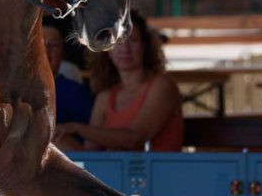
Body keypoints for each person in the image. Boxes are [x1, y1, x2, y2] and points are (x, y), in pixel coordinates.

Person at [54, 12, 183, 152]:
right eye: (116, 42)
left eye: (133, 40)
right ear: (106, 50)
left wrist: (76, 128)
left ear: (145, 46)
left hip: (159, 171)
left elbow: (133, 139)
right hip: (112, 171)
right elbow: (91, 151)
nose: (125, 49)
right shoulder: (106, 95)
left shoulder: (162, 85)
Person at [42, 22, 92, 126]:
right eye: (38, 44)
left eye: (54, 45)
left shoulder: (76, 92)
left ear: (63, 53)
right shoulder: (14, 90)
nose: (46, 50)